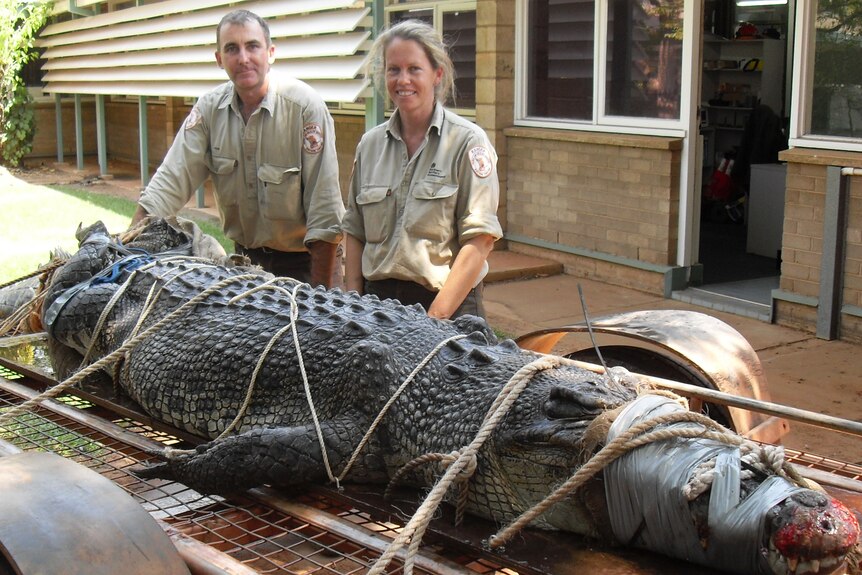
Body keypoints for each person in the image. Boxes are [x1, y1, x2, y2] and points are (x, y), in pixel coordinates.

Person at [131, 9, 344, 287]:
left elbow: (325, 215)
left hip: (308, 265)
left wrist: (319, 300)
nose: (243, 58)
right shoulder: (209, 111)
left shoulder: (305, 109)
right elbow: (169, 182)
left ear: (270, 53)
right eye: (232, 49)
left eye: (252, 46)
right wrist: (127, 252)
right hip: (245, 264)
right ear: (219, 59)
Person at [342, 20, 503, 320]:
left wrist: (435, 318)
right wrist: (354, 304)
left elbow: (480, 241)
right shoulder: (370, 146)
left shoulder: (467, 142)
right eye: (394, 69)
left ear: (437, 74)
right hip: (378, 305)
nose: (403, 80)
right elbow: (354, 230)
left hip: (447, 306)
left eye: (414, 69)